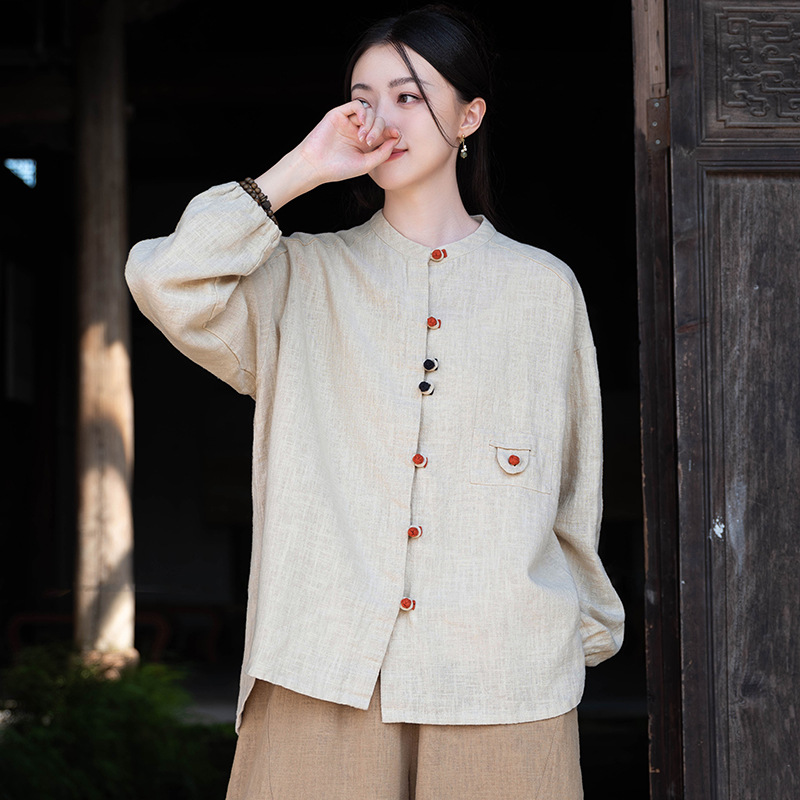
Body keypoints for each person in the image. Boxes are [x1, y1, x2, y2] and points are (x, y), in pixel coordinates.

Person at [125, 5, 624, 798]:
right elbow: (165, 280)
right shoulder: (300, 278)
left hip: (503, 674)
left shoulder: (543, 289)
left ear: (470, 116)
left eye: (409, 96)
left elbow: (572, 492)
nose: (381, 119)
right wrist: (301, 168)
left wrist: (572, 639)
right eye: (364, 99)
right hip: (319, 665)